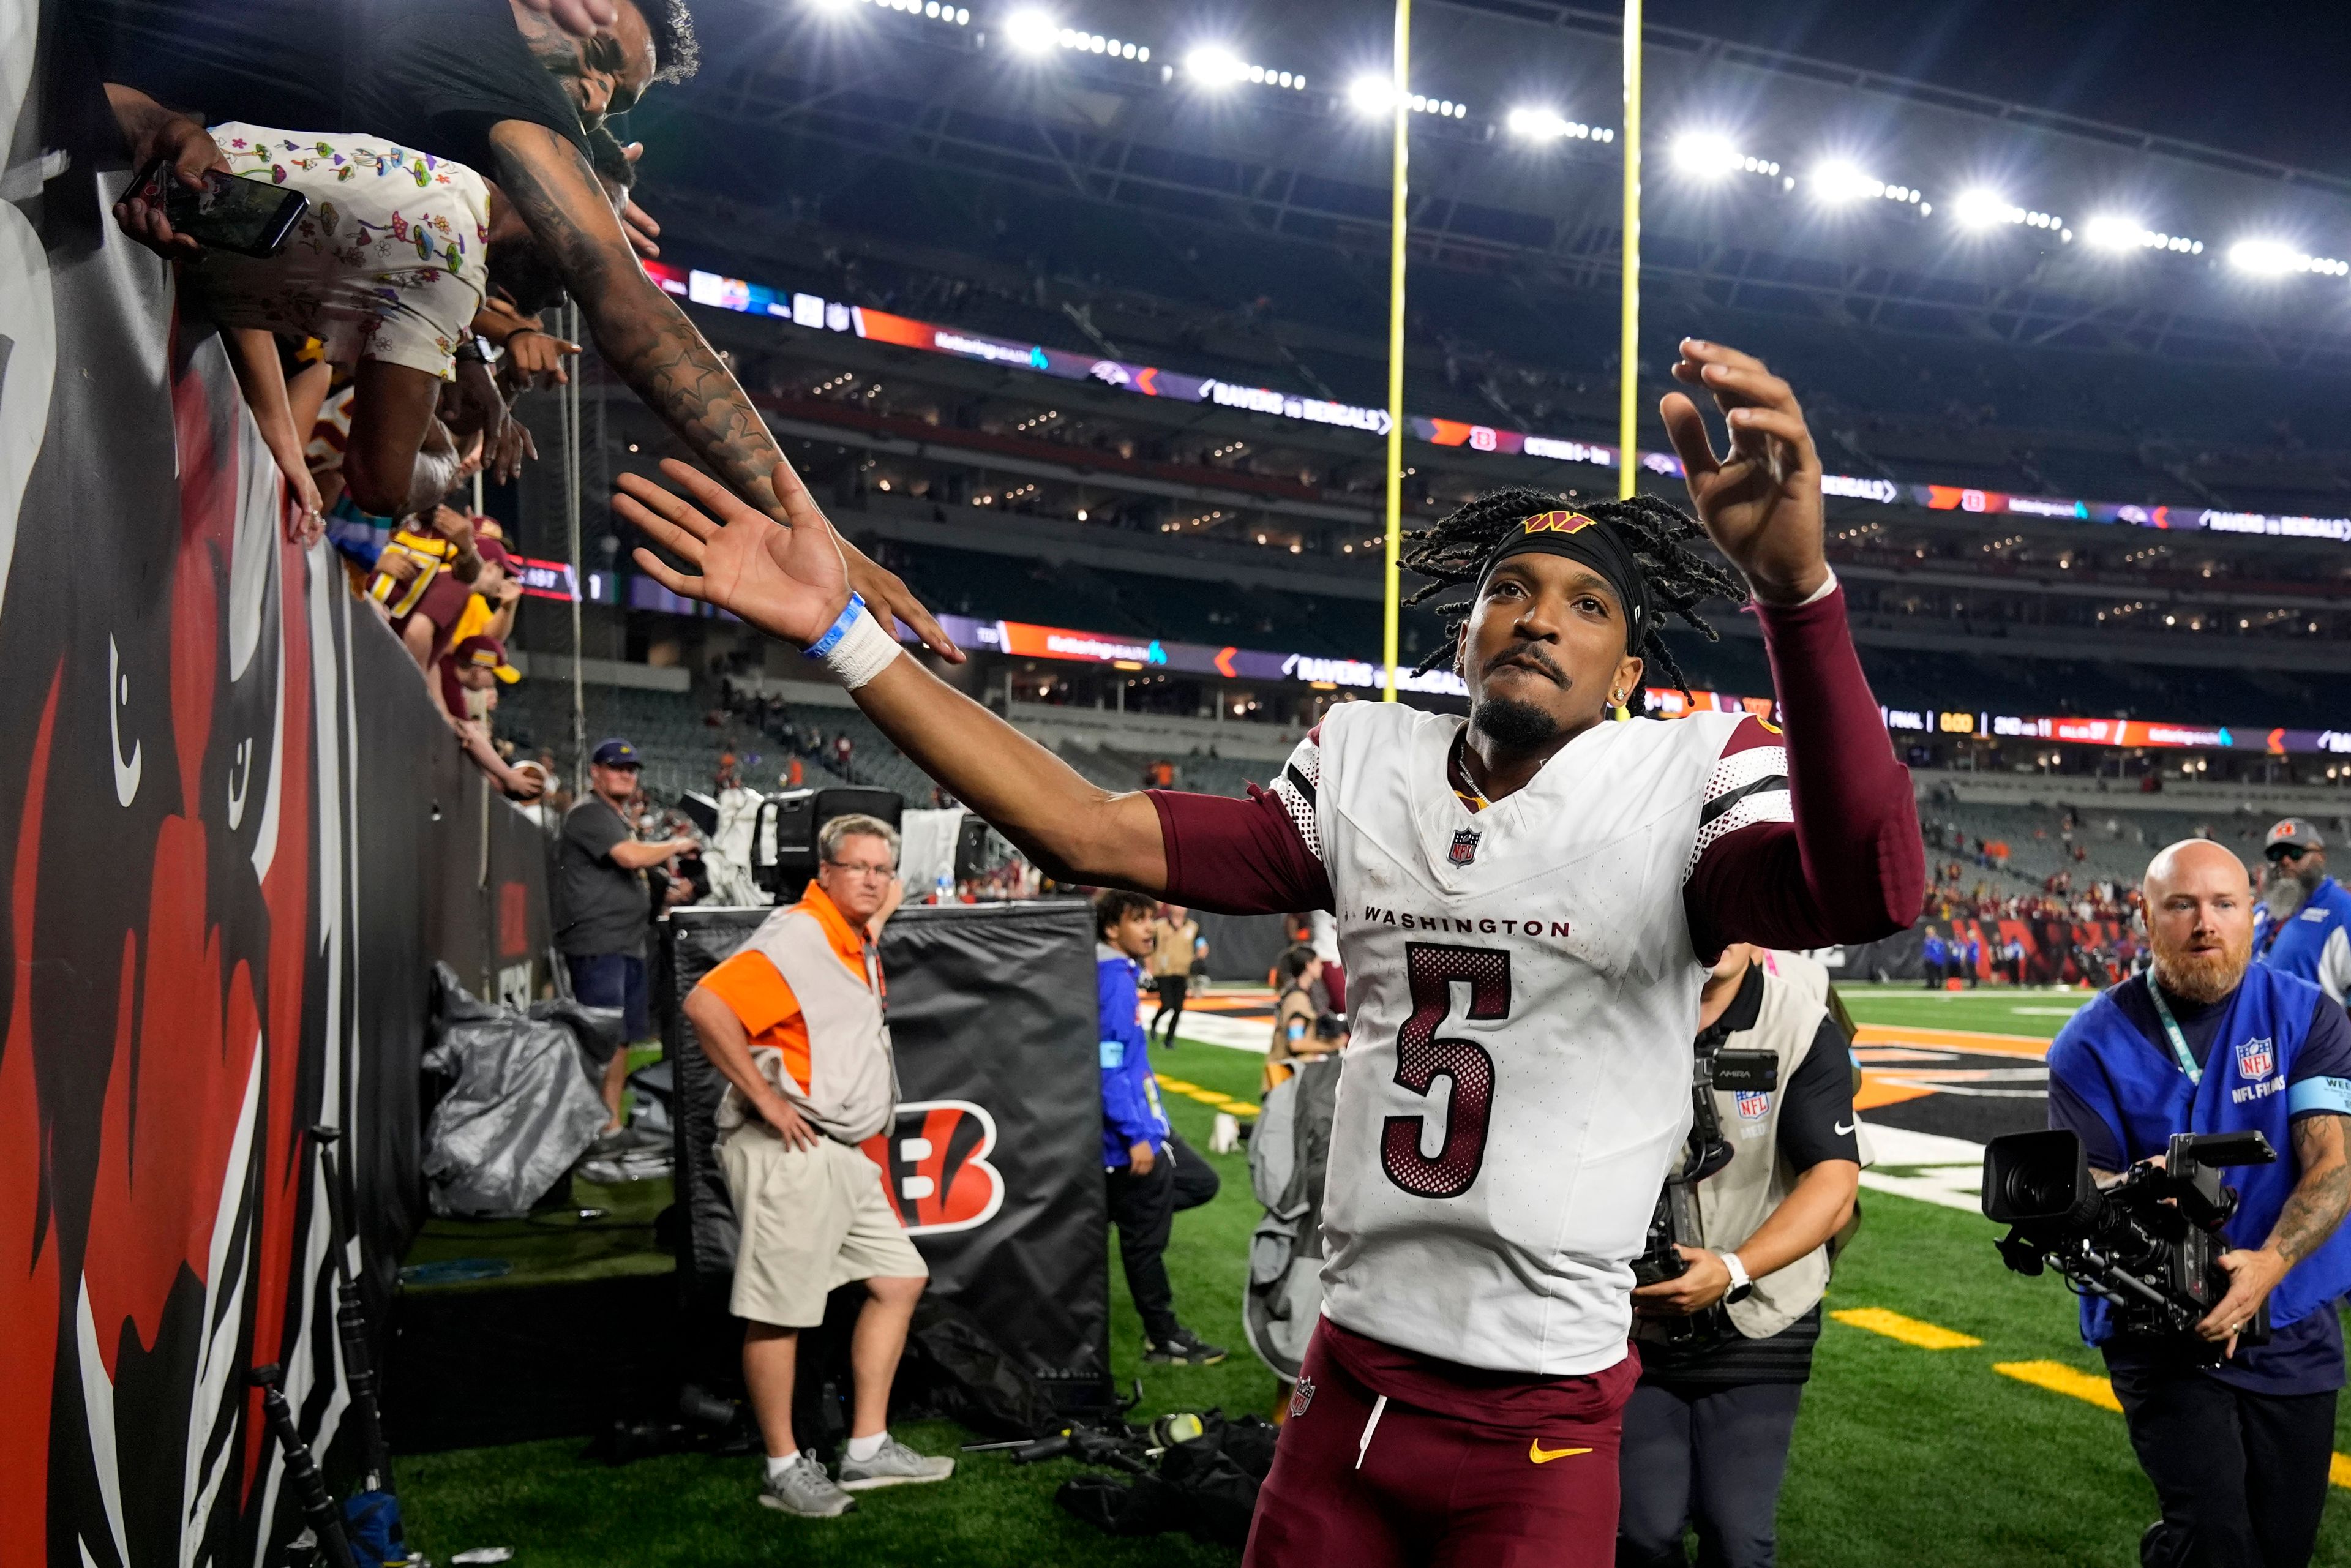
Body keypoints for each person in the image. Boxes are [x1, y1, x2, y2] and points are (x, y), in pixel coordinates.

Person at [609, 336, 1922, 1565]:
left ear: (1630, 667)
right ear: (1460, 633)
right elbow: (1088, 830)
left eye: (1586, 603)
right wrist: (848, 634)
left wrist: (1797, 593)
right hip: (1344, 1379)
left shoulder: (1686, 769)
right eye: (1507, 588)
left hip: (1543, 1407)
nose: (1538, 615)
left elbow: (1873, 882)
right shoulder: (1371, 762)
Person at [84, 0, 955, 662]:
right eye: (604, 57)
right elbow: (633, 312)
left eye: (616, 97)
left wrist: (468, 350)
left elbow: (238, 246)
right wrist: (816, 530)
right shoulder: (491, 105)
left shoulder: (419, 141)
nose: (599, 93)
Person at [2045, 839, 2351, 1568]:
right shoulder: (2087, 1043)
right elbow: (2083, 1199)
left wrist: (2266, 1268)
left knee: (2282, 1547)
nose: (2205, 923)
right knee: (2217, 1540)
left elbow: (2332, 1165)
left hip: (2292, 1320)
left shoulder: (2309, 1017)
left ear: (2252, 916)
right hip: (2162, 1325)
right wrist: (2140, 1187)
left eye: (2224, 904)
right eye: (2181, 904)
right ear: (2145, 917)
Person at [682, 814, 956, 1515]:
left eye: (882, 868)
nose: (873, 879)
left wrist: (888, 889)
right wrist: (767, 1099)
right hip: (791, 1147)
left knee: (899, 1276)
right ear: (824, 873)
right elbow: (706, 1003)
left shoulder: (853, 927)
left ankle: (865, 1449)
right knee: (780, 1312)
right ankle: (782, 1467)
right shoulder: (801, 934)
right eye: (857, 867)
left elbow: (881, 901)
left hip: (841, 1150)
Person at [1617, 943, 1862, 1568]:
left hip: (1763, 1311)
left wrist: (1734, 1266)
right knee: (1642, 1534)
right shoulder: (1611, 1007)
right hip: (1628, 1316)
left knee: (1738, 1538)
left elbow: (1834, 1182)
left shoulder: (1801, 1021)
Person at [1096, 890, 1227, 1366]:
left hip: (1149, 1127)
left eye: (1151, 918)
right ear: (1112, 928)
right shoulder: (1111, 979)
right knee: (1145, 1240)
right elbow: (1109, 1066)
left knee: (1200, 1183)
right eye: (1138, 919)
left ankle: (1115, 1213)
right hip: (1131, 1139)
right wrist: (1136, 1133)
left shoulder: (1122, 974)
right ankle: (1163, 1337)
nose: (1149, 927)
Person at [554, 738, 697, 1152]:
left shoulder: (615, 816)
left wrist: (669, 895)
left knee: (621, 1038)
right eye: (617, 768)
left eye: (632, 769)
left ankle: (610, 1125)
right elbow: (630, 858)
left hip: (627, 941)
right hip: (599, 942)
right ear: (595, 772)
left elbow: (629, 874)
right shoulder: (590, 813)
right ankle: (582, 1129)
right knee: (600, 1037)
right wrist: (677, 844)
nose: (626, 775)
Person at [2254, 820, 2351, 1005]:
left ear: (2320, 857)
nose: (2285, 861)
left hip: (2313, 1032)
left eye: (2296, 853)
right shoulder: (2260, 913)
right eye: (2276, 854)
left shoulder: (2344, 912)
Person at [1149, 903, 1208, 1048]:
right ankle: (1155, 1022)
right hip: (1164, 972)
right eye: (1177, 906)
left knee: (1178, 1008)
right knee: (1167, 1004)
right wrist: (1149, 968)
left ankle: (1169, 1039)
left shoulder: (1193, 927)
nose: (1180, 908)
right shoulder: (1159, 926)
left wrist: (1199, 958)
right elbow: (1149, 947)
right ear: (1170, 908)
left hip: (1183, 973)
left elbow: (1202, 945)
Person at [1920, 925, 1947, 989]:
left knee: (1938, 972)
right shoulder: (1927, 939)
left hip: (1936, 959)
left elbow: (1940, 950)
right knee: (1929, 972)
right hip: (1929, 959)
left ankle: (1938, 984)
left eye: (1930, 932)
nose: (1929, 933)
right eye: (1928, 932)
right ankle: (1930, 984)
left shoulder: (1938, 940)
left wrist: (1938, 958)